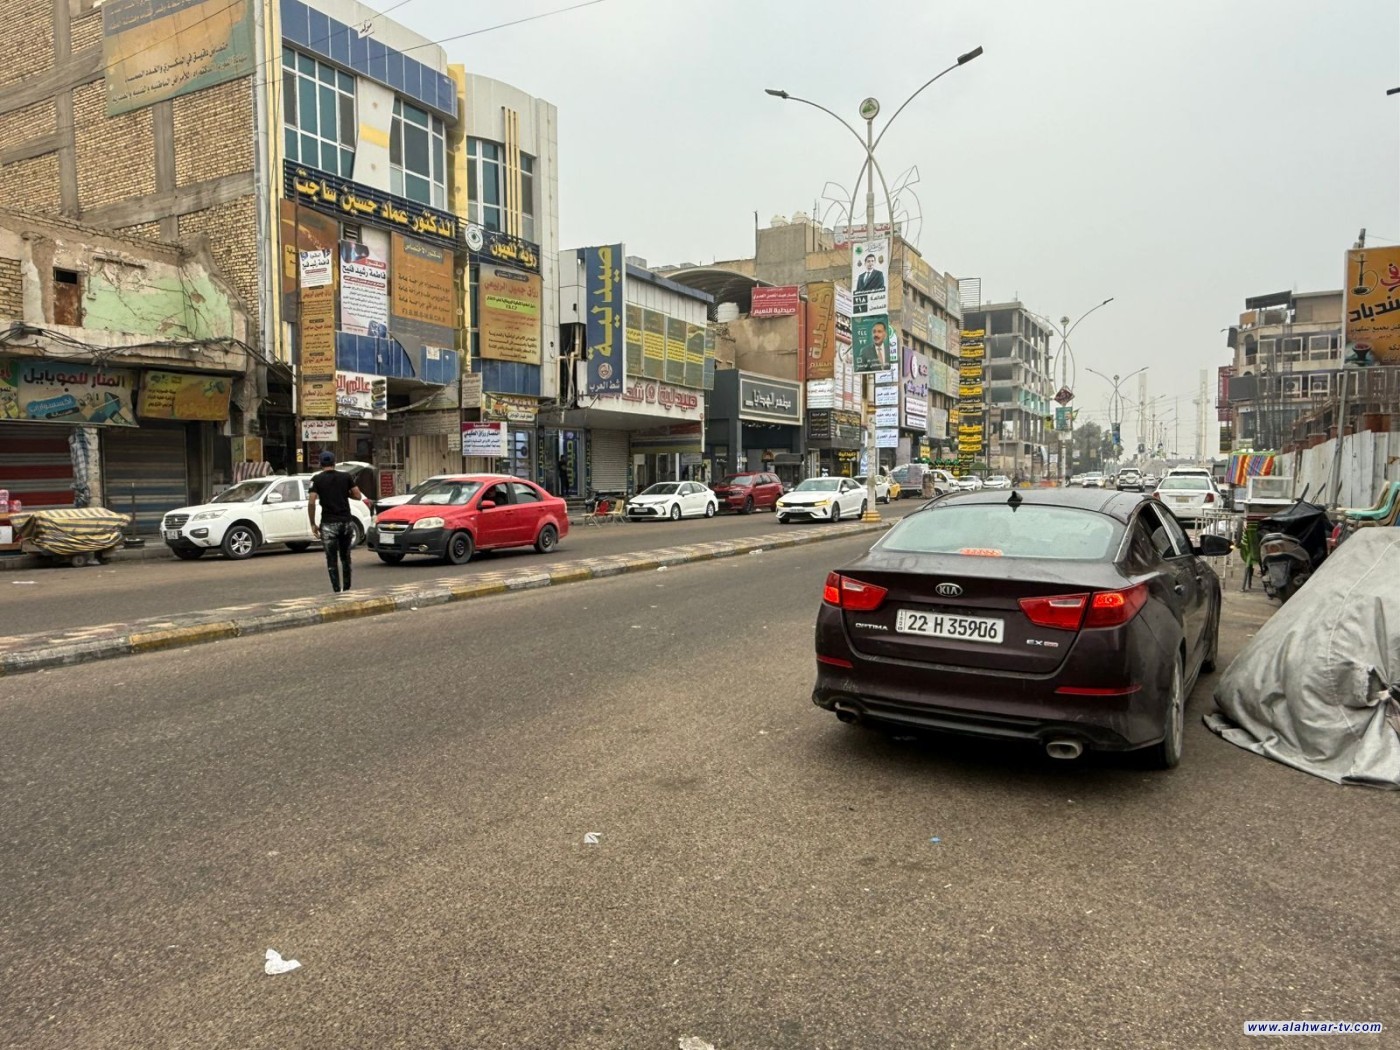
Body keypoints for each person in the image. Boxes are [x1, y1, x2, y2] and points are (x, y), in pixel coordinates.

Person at [307, 450, 369, 593]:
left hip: (328, 524)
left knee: (331, 559)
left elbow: (311, 502)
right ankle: (347, 588)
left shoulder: (316, 479)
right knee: (345, 557)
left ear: (321, 464)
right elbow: (358, 496)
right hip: (346, 523)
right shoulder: (346, 477)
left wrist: (312, 523)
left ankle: (336, 589)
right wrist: (344, 494)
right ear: (334, 463)